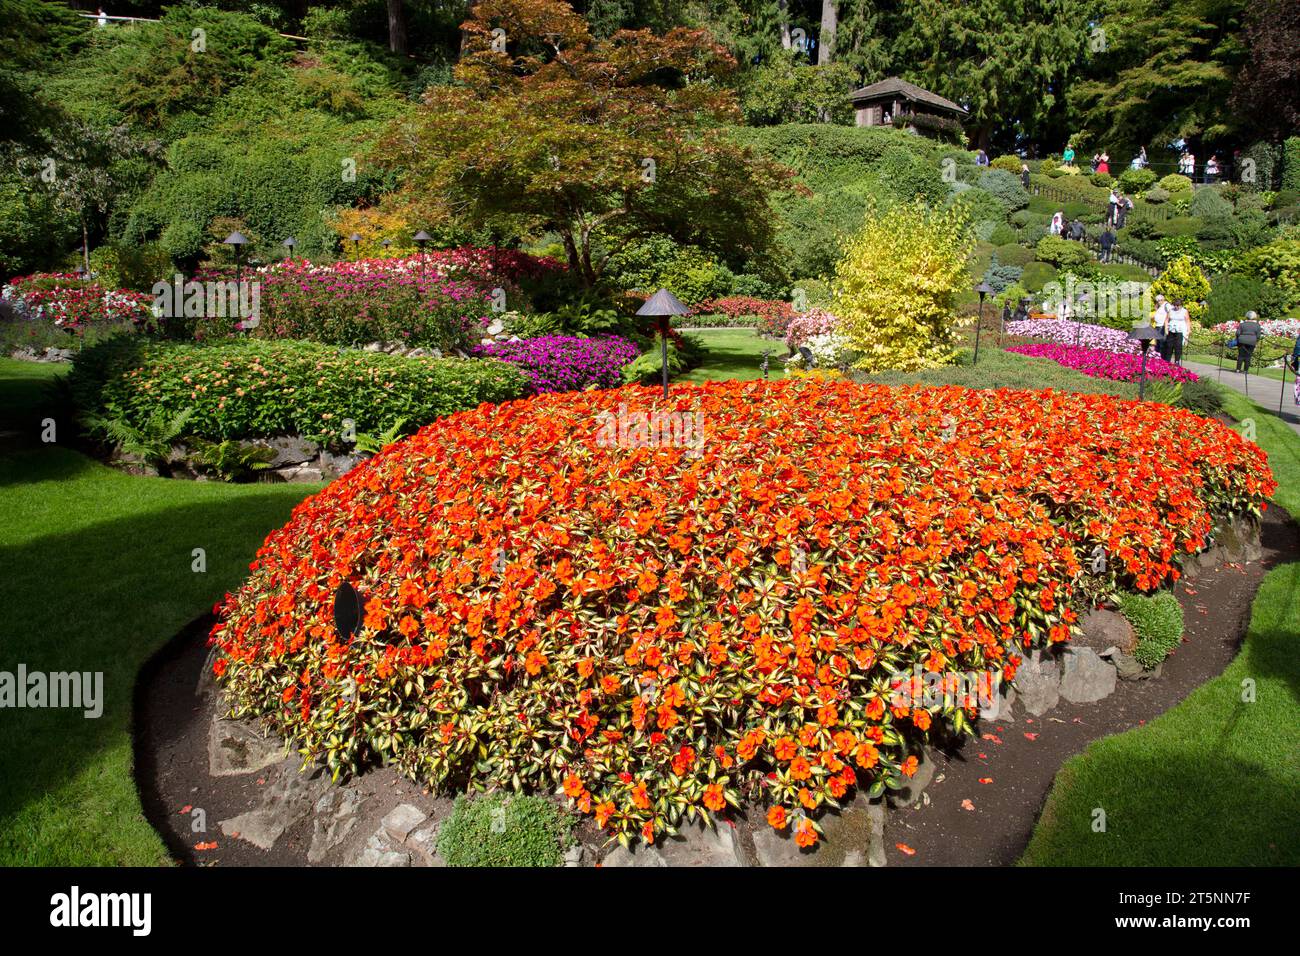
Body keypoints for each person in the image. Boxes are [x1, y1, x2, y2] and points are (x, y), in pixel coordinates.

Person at [1164, 298, 1190, 365]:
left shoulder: (1184, 311)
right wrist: (1166, 329)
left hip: (1180, 331)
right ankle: (1167, 362)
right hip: (1171, 330)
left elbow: (1187, 321)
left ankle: (1177, 362)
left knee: (1178, 347)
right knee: (1169, 346)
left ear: (1181, 305)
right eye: (1175, 305)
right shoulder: (1171, 310)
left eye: (1178, 305)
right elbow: (1166, 320)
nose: (1176, 307)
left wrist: (1188, 330)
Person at [1152, 294, 1170, 358]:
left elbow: (1170, 313)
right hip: (1158, 325)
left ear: (1163, 299)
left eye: (1160, 300)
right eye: (1158, 300)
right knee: (1158, 342)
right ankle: (1157, 356)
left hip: (1162, 326)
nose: (1159, 302)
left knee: (1162, 342)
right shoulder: (1160, 306)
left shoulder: (1166, 305)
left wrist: (1166, 324)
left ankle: (1162, 357)